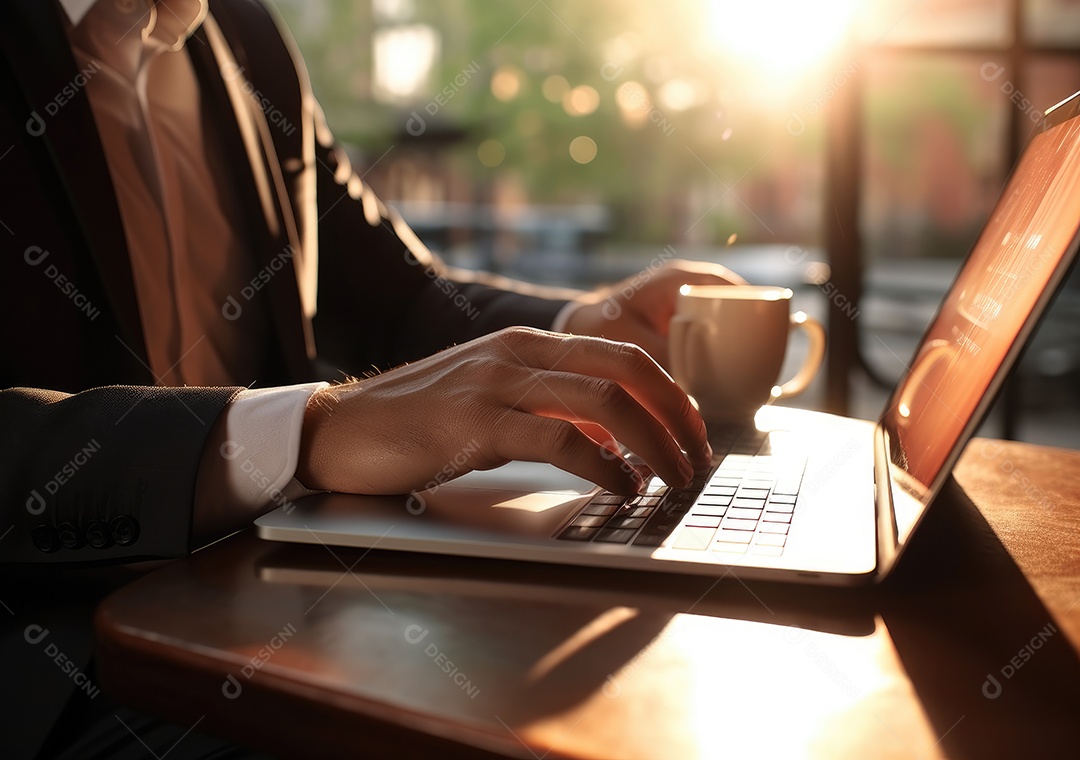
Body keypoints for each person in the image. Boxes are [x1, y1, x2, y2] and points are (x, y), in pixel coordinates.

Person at [0, 1, 741, 754]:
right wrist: (310, 430)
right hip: (51, 654)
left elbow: (396, 296)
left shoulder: (246, 35)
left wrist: (585, 325)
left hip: (275, 583)